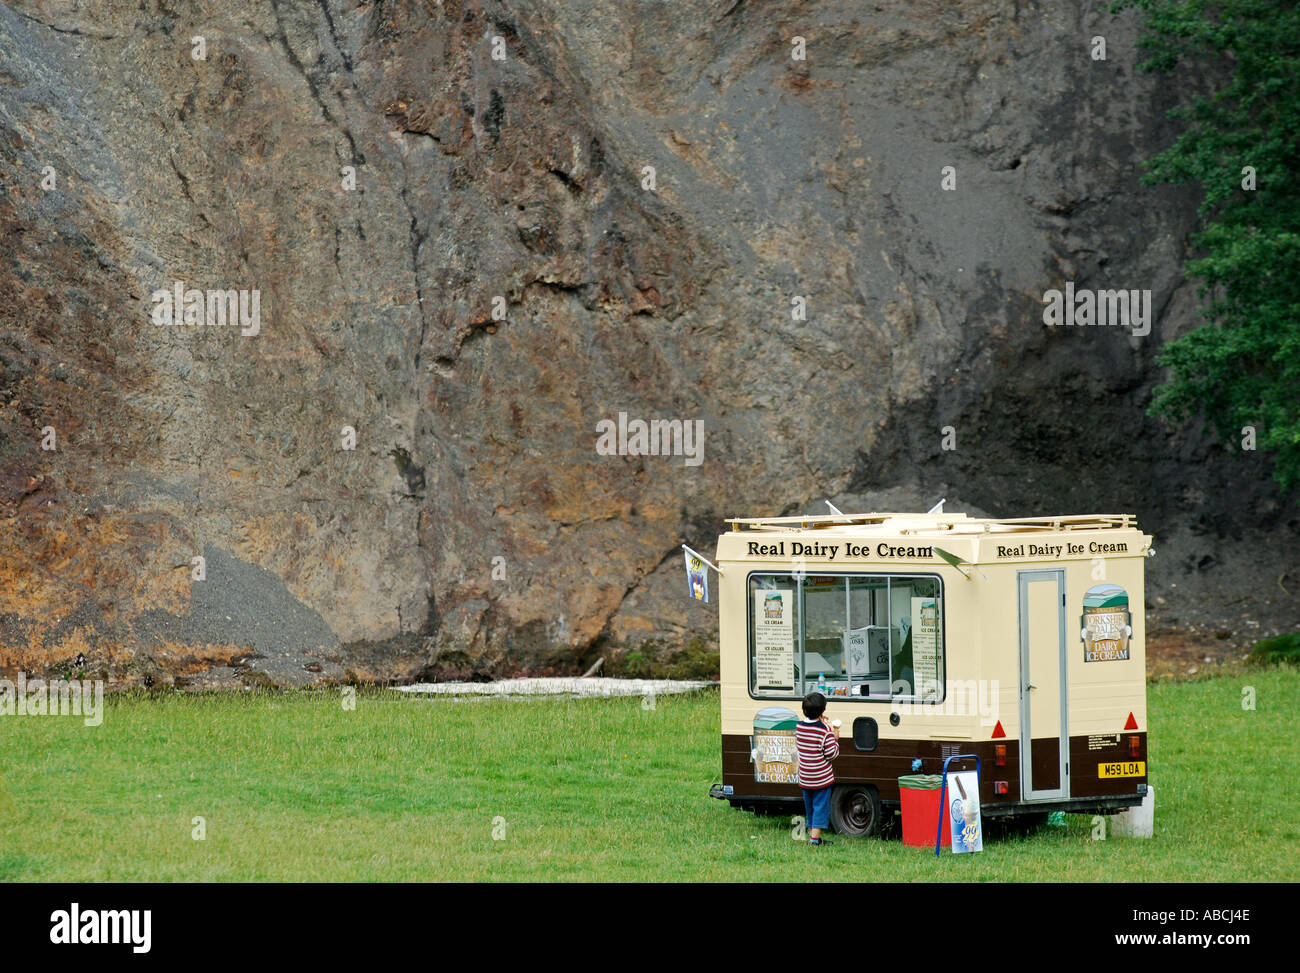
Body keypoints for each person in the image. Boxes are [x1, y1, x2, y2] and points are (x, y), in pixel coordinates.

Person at [796, 691, 840, 846]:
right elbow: (831, 754)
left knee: (810, 808)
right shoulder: (825, 731)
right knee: (820, 808)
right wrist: (835, 737)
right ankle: (814, 840)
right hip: (821, 779)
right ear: (823, 711)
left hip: (805, 777)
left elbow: (809, 727)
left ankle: (812, 835)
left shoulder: (799, 727)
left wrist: (819, 720)